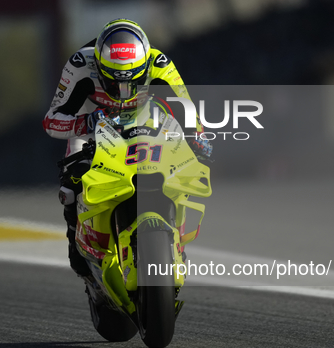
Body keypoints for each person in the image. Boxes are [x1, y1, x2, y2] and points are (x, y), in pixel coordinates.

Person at [43, 18, 212, 277]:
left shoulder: (160, 63)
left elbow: (186, 107)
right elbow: (52, 121)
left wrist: (198, 138)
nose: (123, 92)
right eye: (113, 83)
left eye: (132, 82)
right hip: (90, 125)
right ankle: (77, 248)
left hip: (145, 121)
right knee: (71, 184)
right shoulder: (79, 65)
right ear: (99, 67)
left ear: (144, 67)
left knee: (180, 166)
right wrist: (86, 121)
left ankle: (174, 239)